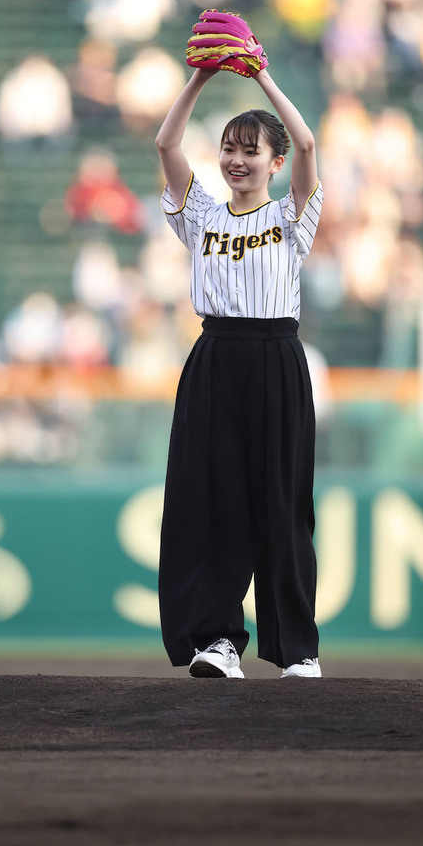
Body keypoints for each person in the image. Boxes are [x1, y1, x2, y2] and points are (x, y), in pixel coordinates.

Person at [155, 51, 323, 681]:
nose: (237, 160)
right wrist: (201, 76)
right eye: (229, 148)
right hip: (214, 359)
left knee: (281, 507)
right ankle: (218, 642)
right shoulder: (202, 214)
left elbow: (307, 142)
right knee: (212, 503)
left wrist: (260, 76)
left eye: (252, 151)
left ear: (275, 164)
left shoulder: (290, 216)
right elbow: (166, 142)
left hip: (276, 358)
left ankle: (297, 650)